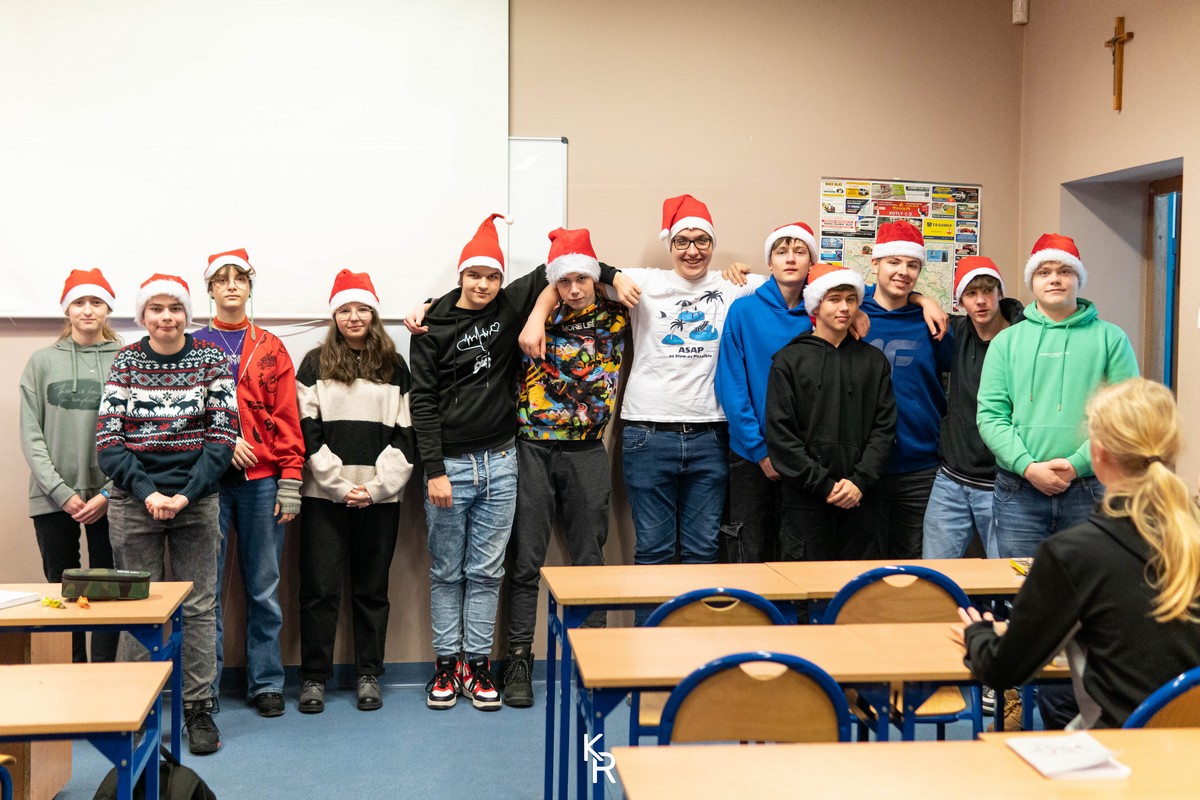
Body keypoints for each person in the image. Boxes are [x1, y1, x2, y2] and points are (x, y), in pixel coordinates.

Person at [952, 378, 1200, 729]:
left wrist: (978, 634)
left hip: (1123, 753)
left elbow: (1003, 670)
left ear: (1097, 453)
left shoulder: (1073, 555)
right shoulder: (1187, 534)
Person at [97, 273, 237, 755]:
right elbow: (109, 442)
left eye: (175, 308)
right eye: (156, 309)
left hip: (196, 502)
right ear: (143, 316)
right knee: (138, 607)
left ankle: (198, 708)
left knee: (198, 607)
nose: (166, 317)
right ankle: (135, 709)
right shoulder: (126, 362)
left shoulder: (211, 360)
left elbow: (222, 437)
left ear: (186, 314)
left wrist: (186, 494)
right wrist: (147, 492)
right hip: (134, 504)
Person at [500, 227, 627, 708]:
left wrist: (608, 272)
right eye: (564, 281)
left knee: (589, 557)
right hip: (532, 447)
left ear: (595, 279)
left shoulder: (616, 315)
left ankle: (593, 657)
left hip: (587, 450)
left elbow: (653, 285)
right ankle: (518, 659)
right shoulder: (529, 314)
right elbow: (476, 302)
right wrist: (539, 309)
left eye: (582, 279)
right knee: (525, 560)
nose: (573, 289)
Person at [617, 194, 765, 575]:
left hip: (711, 436)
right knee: (653, 551)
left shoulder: (733, 285)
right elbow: (574, 273)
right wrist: (613, 277)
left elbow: (802, 283)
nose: (692, 250)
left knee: (704, 551)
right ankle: (652, 620)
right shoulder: (646, 280)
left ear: (713, 244)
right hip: (648, 433)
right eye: (682, 241)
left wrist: (906, 300)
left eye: (702, 240)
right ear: (670, 245)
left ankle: (696, 619)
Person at [295, 269, 415, 714]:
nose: (354, 317)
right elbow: (307, 431)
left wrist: (376, 488)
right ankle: (314, 677)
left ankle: (368, 673)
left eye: (362, 308)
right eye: (345, 309)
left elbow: (406, 434)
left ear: (374, 314)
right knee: (319, 589)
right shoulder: (314, 363)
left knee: (372, 590)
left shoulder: (395, 366)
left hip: (380, 500)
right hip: (324, 498)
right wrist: (340, 485)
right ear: (334, 316)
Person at [977, 233, 1139, 560]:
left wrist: (1077, 464)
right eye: (1044, 272)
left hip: (1090, 488)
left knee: (1089, 583)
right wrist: (1028, 467)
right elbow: (990, 416)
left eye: (1065, 271)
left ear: (1078, 279)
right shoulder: (1006, 342)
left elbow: (1125, 416)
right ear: (1032, 281)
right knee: (1020, 586)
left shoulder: (1112, 339)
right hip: (1018, 491)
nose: (1054, 279)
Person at [192, 248, 304, 718]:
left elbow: (287, 416)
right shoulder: (192, 345)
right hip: (208, 484)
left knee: (263, 588)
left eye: (239, 278)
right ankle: (204, 687)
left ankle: (266, 682)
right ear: (211, 289)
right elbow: (183, 416)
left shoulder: (271, 347)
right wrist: (222, 443)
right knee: (206, 592)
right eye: (222, 279)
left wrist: (290, 478)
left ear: (250, 287)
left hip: (263, 482)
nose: (231, 285)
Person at [20, 268, 121, 664]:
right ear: (67, 309)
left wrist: (109, 493)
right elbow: (31, 435)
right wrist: (61, 493)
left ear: (108, 308)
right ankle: (74, 675)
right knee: (63, 591)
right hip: (52, 498)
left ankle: (106, 676)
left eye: (96, 301)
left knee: (109, 593)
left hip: (113, 498)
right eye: (79, 302)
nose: (88, 310)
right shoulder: (41, 362)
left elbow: (138, 433)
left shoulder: (126, 359)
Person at [765, 262, 896, 561]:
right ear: (816, 304)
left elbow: (884, 429)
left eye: (851, 300)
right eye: (834, 299)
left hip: (862, 499)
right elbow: (782, 437)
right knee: (805, 585)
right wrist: (824, 486)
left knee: (859, 585)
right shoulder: (788, 361)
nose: (844, 308)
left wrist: (860, 482)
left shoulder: (874, 361)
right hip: (805, 502)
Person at [861, 221, 953, 558]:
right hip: (861, 464)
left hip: (919, 464)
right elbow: (809, 283)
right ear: (875, 263)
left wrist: (922, 301)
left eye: (912, 265)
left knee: (913, 562)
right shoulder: (850, 312)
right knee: (860, 561)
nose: (903, 271)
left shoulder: (932, 321)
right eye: (894, 262)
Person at [922, 257, 1023, 559]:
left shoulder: (1024, 339)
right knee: (934, 573)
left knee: (1005, 577)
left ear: (1000, 293)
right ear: (960, 301)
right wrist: (922, 299)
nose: (980, 301)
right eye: (971, 293)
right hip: (951, 479)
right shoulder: (956, 332)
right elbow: (894, 303)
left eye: (988, 291)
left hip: (1003, 483)